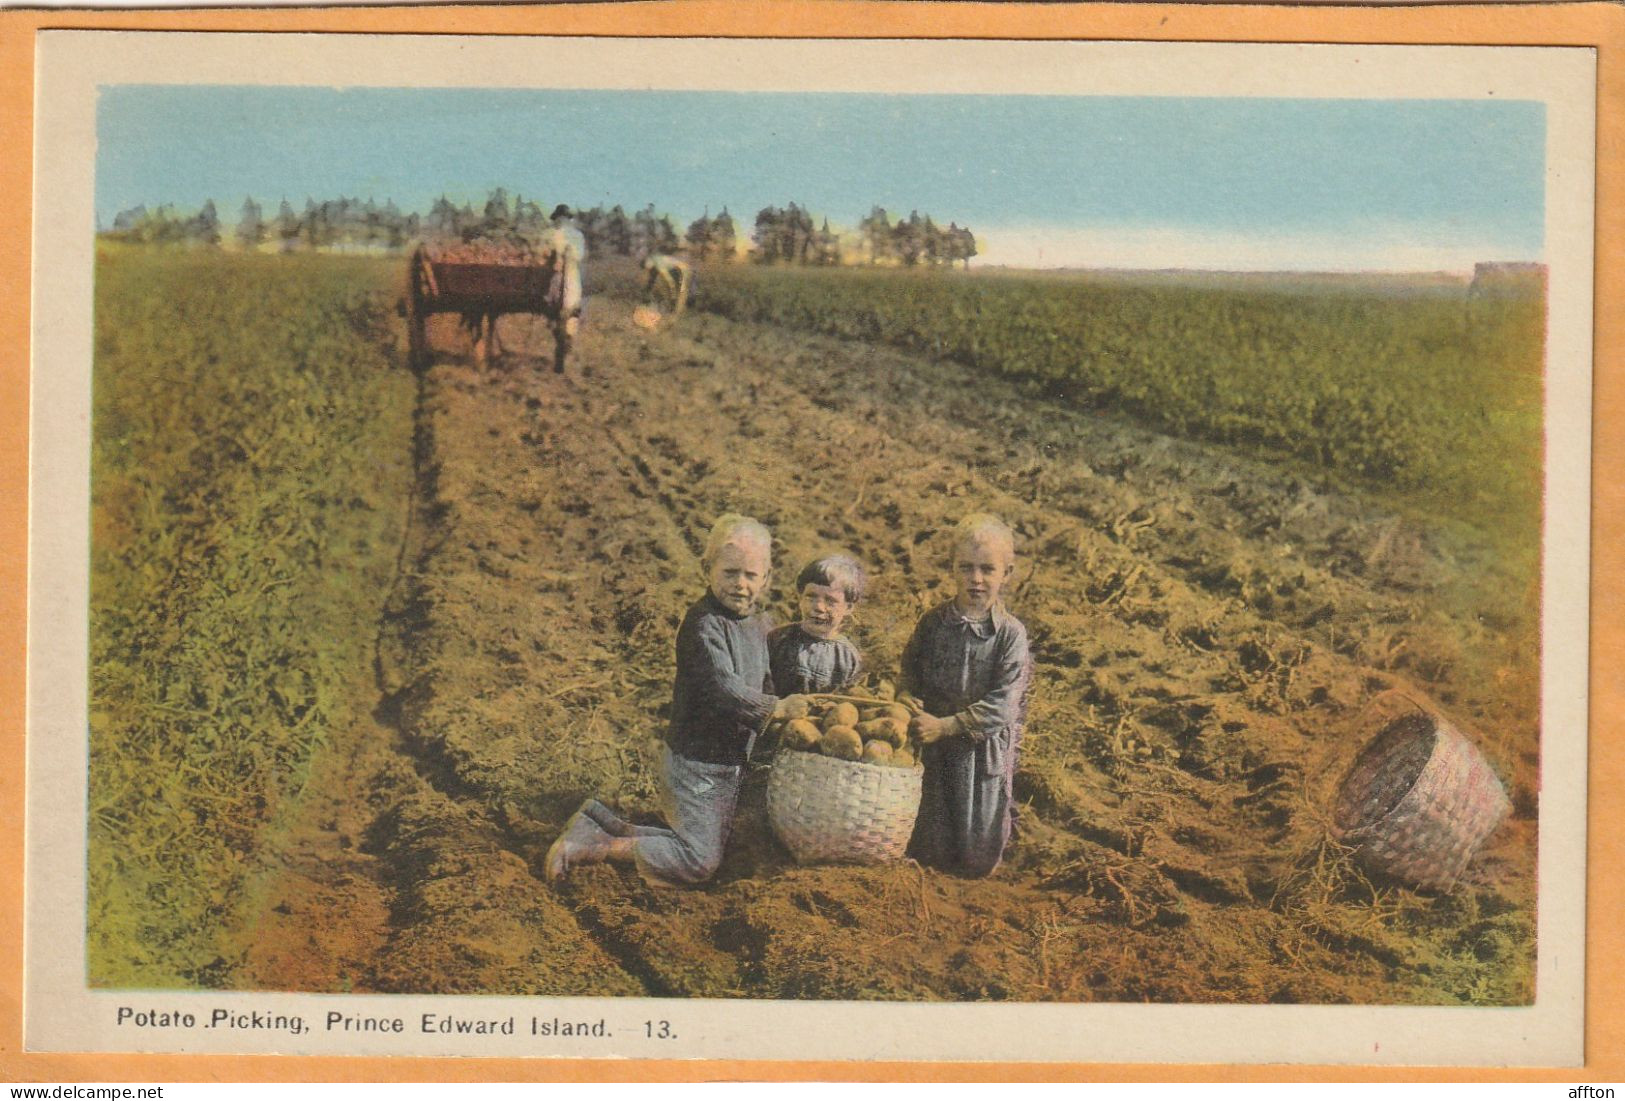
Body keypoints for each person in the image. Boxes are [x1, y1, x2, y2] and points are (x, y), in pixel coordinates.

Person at [545, 514, 807, 886]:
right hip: (697, 765)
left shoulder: (761, 625)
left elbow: (768, 679)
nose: (740, 585)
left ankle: (599, 822)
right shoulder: (703, 625)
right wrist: (775, 709)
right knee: (699, 861)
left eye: (751, 575)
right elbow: (722, 689)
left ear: (767, 578)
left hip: (731, 763)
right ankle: (595, 848)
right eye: (730, 572)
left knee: (715, 843)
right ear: (707, 568)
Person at [901, 513, 1032, 877]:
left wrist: (948, 725)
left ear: (1006, 573)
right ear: (952, 569)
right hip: (934, 747)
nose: (976, 579)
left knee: (977, 856)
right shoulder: (933, 623)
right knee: (931, 846)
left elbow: (1002, 705)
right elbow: (910, 668)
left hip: (980, 749)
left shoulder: (1009, 635)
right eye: (966, 568)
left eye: (987, 569)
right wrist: (906, 694)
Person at [767, 555, 865, 696]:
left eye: (830, 601)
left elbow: (848, 700)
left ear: (848, 607)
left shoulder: (847, 657)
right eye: (811, 597)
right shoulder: (778, 639)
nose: (818, 607)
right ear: (799, 598)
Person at [543, 205, 587, 373]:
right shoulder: (553, 234)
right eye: (558, 219)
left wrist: (569, 253)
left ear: (568, 219)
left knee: (570, 312)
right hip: (556, 276)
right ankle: (560, 346)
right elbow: (548, 254)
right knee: (556, 313)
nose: (560, 221)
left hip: (571, 274)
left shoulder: (576, 236)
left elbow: (579, 256)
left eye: (563, 218)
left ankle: (564, 349)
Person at [641, 252, 693, 318]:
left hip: (682, 269)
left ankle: (676, 311)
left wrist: (672, 292)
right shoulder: (653, 262)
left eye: (647, 268)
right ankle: (673, 308)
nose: (648, 270)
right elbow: (651, 281)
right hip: (675, 269)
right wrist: (646, 293)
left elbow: (669, 280)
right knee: (674, 291)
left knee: (680, 291)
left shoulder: (657, 263)